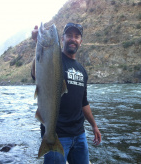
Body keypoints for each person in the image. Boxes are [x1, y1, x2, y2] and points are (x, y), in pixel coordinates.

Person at [31, 23, 101, 164]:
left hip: (79, 135)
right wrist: (37, 43)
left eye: (76, 36)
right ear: (62, 39)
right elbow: (35, 73)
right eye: (69, 35)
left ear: (81, 41)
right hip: (57, 134)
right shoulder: (53, 58)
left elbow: (83, 102)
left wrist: (94, 125)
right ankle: (49, 140)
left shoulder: (82, 70)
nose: (72, 39)